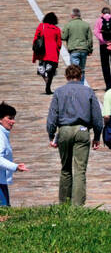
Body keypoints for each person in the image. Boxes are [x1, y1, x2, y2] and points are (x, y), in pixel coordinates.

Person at [47, 63, 102, 206]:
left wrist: (51, 135)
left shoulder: (59, 92)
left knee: (65, 168)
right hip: (82, 130)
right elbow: (97, 117)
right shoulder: (88, 92)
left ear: (66, 77)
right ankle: (77, 206)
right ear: (80, 76)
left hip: (64, 130)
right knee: (80, 170)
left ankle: (64, 203)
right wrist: (97, 136)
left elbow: (52, 116)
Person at [33, 12, 62, 95]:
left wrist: (36, 48)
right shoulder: (56, 29)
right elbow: (59, 43)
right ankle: (48, 85)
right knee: (51, 71)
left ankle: (46, 80)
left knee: (42, 68)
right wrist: (57, 49)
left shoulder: (41, 26)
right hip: (52, 53)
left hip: (42, 52)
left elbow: (35, 38)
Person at [61, 8, 93, 81]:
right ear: (79, 15)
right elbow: (90, 39)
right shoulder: (86, 25)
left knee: (74, 70)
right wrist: (90, 50)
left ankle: (76, 86)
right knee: (82, 69)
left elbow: (63, 37)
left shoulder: (68, 25)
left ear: (72, 16)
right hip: (84, 50)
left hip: (74, 50)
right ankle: (81, 85)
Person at [93, 7, 111, 91]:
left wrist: (103, 40)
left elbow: (96, 32)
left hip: (103, 45)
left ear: (102, 13)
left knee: (105, 65)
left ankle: (108, 85)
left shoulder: (99, 20)